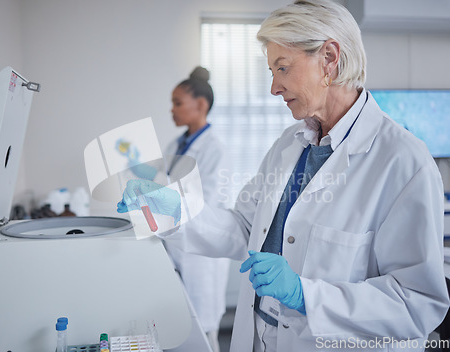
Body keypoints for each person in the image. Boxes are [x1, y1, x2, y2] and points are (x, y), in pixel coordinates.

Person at [117, 1, 450, 351]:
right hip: (258, 337)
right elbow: (245, 228)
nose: (274, 87)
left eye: (283, 68)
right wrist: (171, 208)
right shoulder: (289, 145)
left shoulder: (402, 161)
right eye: (272, 71)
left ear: (329, 58)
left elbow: (417, 303)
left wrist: (305, 295)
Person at [122, 67, 230, 352]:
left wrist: (157, 184)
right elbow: (163, 178)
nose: (172, 110)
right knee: (179, 327)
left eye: (177, 103)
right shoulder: (177, 143)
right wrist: (139, 167)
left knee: (205, 333)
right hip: (175, 243)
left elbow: (202, 199)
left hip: (200, 252)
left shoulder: (214, 148)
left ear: (201, 105)